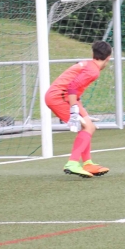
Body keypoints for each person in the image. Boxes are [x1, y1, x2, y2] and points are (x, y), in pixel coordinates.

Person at [46, 40, 113, 178]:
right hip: (59, 97)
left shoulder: (89, 64)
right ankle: (72, 163)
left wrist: (78, 106)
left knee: (89, 126)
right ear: (108, 57)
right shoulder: (93, 71)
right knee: (86, 127)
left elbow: (74, 86)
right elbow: (72, 87)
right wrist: (74, 110)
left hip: (66, 96)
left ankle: (87, 163)